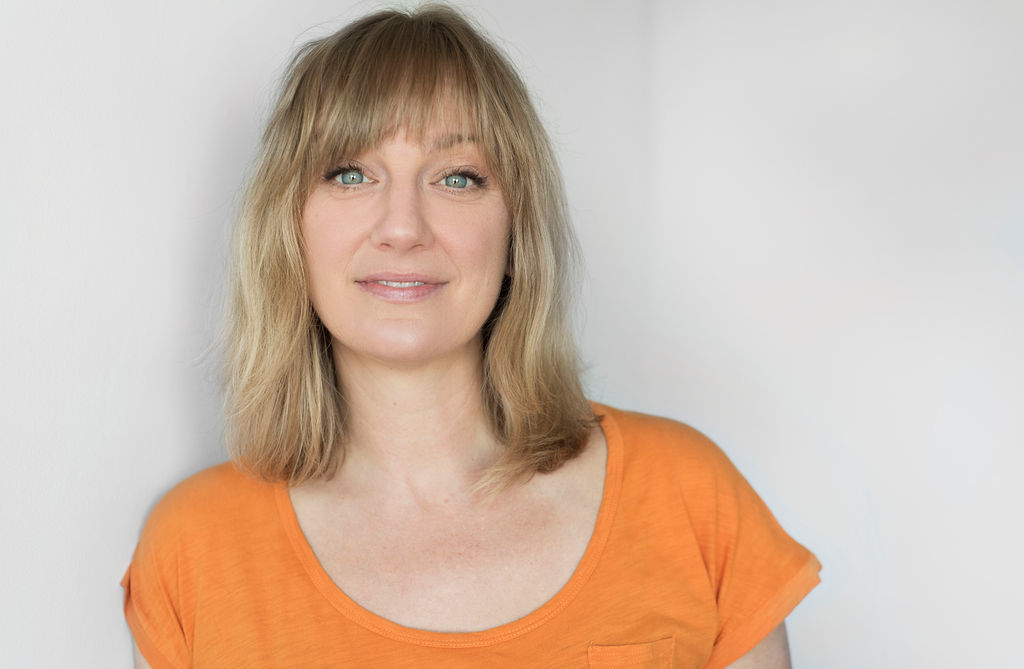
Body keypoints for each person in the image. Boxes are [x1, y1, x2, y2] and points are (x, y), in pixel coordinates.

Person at [121, 5, 820, 668]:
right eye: (350, 172)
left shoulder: (690, 499)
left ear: (516, 231)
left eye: (457, 177)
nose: (402, 227)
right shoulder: (194, 549)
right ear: (290, 229)